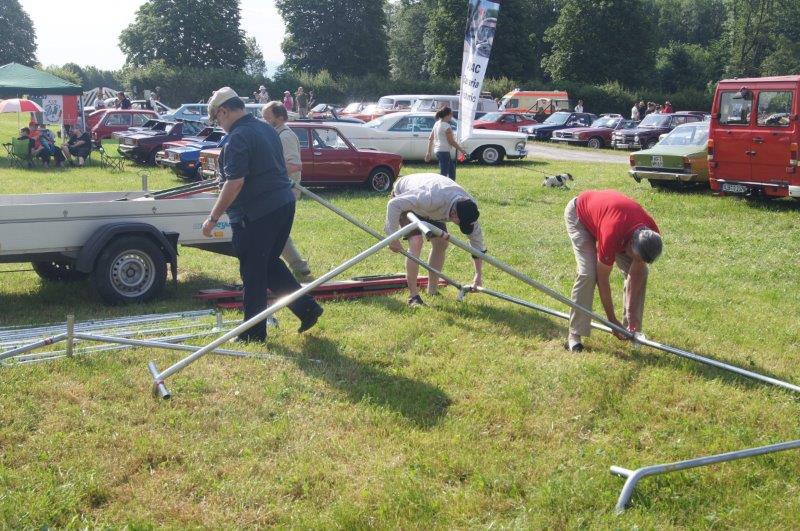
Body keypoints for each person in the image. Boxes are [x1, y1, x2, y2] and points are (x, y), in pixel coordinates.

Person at [201, 87, 323, 342]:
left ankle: (253, 333)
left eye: (217, 119)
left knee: (253, 273)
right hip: (283, 205)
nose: (219, 125)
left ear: (223, 111)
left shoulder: (237, 137)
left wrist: (212, 219)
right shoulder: (266, 128)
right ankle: (307, 308)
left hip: (256, 214)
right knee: (268, 264)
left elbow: (235, 182)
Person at [563, 190, 663, 352]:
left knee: (642, 272)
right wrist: (611, 320)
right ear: (629, 245)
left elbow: (635, 274)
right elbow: (602, 280)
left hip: (609, 221)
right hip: (579, 216)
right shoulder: (612, 234)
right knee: (588, 274)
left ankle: (631, 329)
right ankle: (574, 334)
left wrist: (631, 315)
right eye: (635, 257)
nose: (636, 261)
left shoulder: (651, 232)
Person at [385, 173, 484, 307]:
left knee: (442, 243)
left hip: (433, 208)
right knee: (416, 242)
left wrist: (478, 275)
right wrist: (392, 238)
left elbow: (476, 243)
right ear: (453, 214)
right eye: (460, 223)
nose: (461, 226)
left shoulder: (469, 208)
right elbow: (394, 204)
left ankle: (432, 290)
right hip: (405, 195)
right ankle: (413, 296)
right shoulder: (430, 198)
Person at [262, 101, 313, 281]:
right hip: (277, 191)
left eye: (267, 117)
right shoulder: (276, 134)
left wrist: (268, 173)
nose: (264, 120)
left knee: (275, 231)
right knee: (275, 231)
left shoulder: (285, 136)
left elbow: (295, 165)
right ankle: (298, 267)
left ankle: (298, 267)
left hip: (285, 191)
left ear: (279, 117)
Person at [425, 107, 468, 181]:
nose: (452, 116)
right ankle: (443, 186)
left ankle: (449, 185)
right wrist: (462, 150)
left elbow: (430, 138)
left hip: (438, 150)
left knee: (451, 171)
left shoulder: (437, 123)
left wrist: (428, 152)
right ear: (447, 115)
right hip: (443, 151)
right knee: (445, 173)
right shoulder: (446, 126)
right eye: (451, 114)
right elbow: (451, 141)